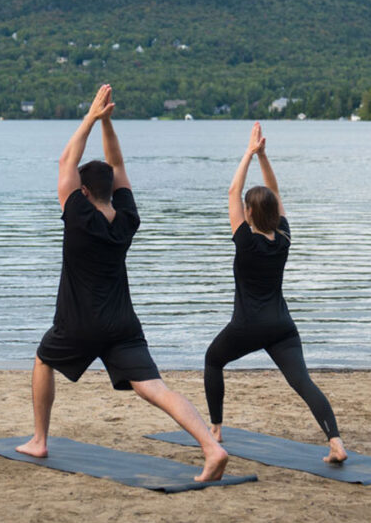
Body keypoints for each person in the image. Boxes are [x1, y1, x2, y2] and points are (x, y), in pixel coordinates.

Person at [17, 84, 228, 481]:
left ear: (83, 192)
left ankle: (40, 439)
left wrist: (92, 117)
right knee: (155, 388)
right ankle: (211, 446)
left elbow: (66, 160)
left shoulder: (78, 215)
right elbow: (120, 167)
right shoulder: (127, 218)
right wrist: (108, 125)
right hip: (121, 325)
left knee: (43, 360)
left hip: (78, 324)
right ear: (112, 190)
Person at [204, 122, 347, 464]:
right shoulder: (283, 238)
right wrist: (264, 157)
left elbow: (231, 192)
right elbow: (275, 192)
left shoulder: (245, 242)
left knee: (213, 360)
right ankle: (336, 443)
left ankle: (217, 429)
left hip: (248, 327)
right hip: (282, 326)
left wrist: (249, 153)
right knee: (303, 383)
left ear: (249, 213)